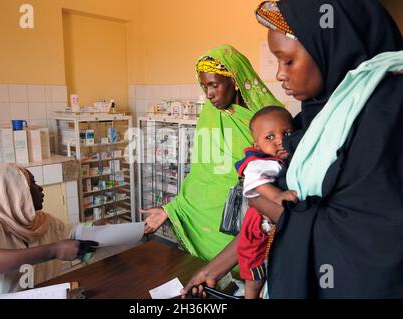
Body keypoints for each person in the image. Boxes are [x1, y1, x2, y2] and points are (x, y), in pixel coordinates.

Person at [182, 0, 402, 299]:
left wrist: (260, 197)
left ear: (330, 46)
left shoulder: (383, 116)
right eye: (276, 62)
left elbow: (365, 240)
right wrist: (212, 270)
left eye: (288, 61)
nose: (280, 75)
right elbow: (268, 217)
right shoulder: (309, 119)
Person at [140, 45, 282, 282]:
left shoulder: (267, 117)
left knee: (251, 276)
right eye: (205, 86)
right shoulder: (209, 113)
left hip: (253, 215)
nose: (209, 93)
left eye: (215, 85)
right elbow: (203, 174)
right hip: (206, 216)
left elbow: (277, 167)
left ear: (235, 80)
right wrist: (172, 209)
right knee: (208, 283)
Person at [0, 164, 99, 298]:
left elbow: (70, 232)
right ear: (13, 191)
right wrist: (53, 251)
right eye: (32, 183)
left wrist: (96, 228)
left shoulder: (42, 221)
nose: (40, 188)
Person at [235, 106, 297, 299]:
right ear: (257, 144)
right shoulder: (259, 161)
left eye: (286, 133)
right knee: (254, 268)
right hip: (256, 224)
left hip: (268, 223)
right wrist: (276, 196)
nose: (280, 140)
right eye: (269, 137)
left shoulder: (278, 158)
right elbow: (255, 181)